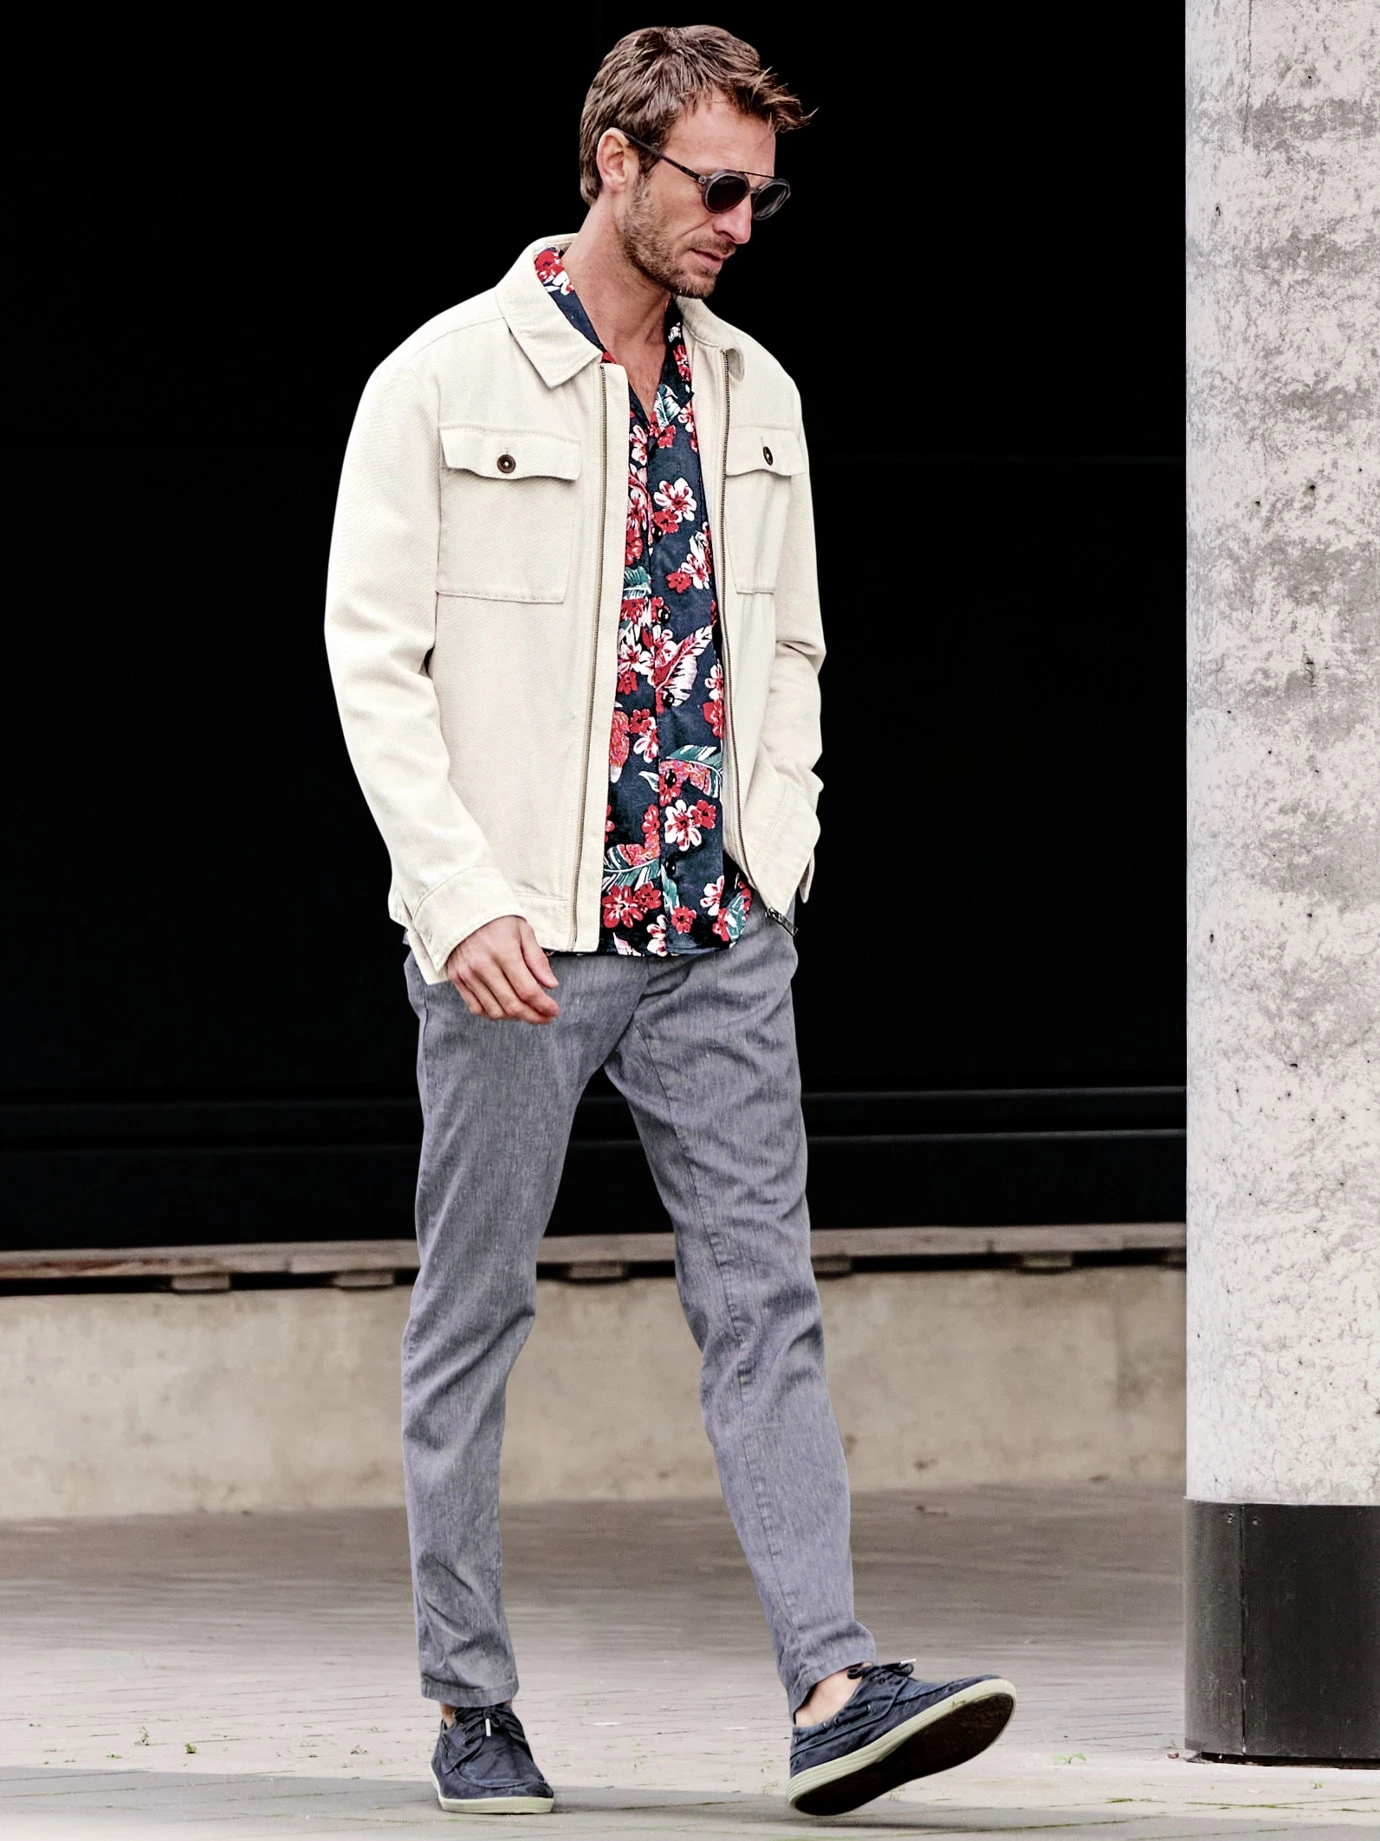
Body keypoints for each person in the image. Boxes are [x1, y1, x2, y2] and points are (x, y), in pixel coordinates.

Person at [324, 23, 1014, 1818]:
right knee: (474, 1314)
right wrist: (456, 898)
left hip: (718, 929)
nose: (740, 223)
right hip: (519, 944)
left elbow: (789, 645)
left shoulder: (754, 392)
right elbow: (373, 665)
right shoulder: (440, 381)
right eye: (715, 187)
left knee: (766, 1303)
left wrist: (775, 854)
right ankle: (470, 1698)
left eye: (762, 195)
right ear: (613, 164)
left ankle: (835, 1687)